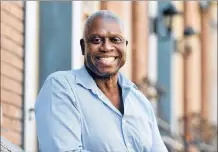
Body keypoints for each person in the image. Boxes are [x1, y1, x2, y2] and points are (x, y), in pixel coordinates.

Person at [35, 10, 168, 152]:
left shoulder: (141, 102)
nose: (106, 47)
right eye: (96, 40)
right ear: (83, 46)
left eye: (115, 40)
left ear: (125, 46)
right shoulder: (61, 87)